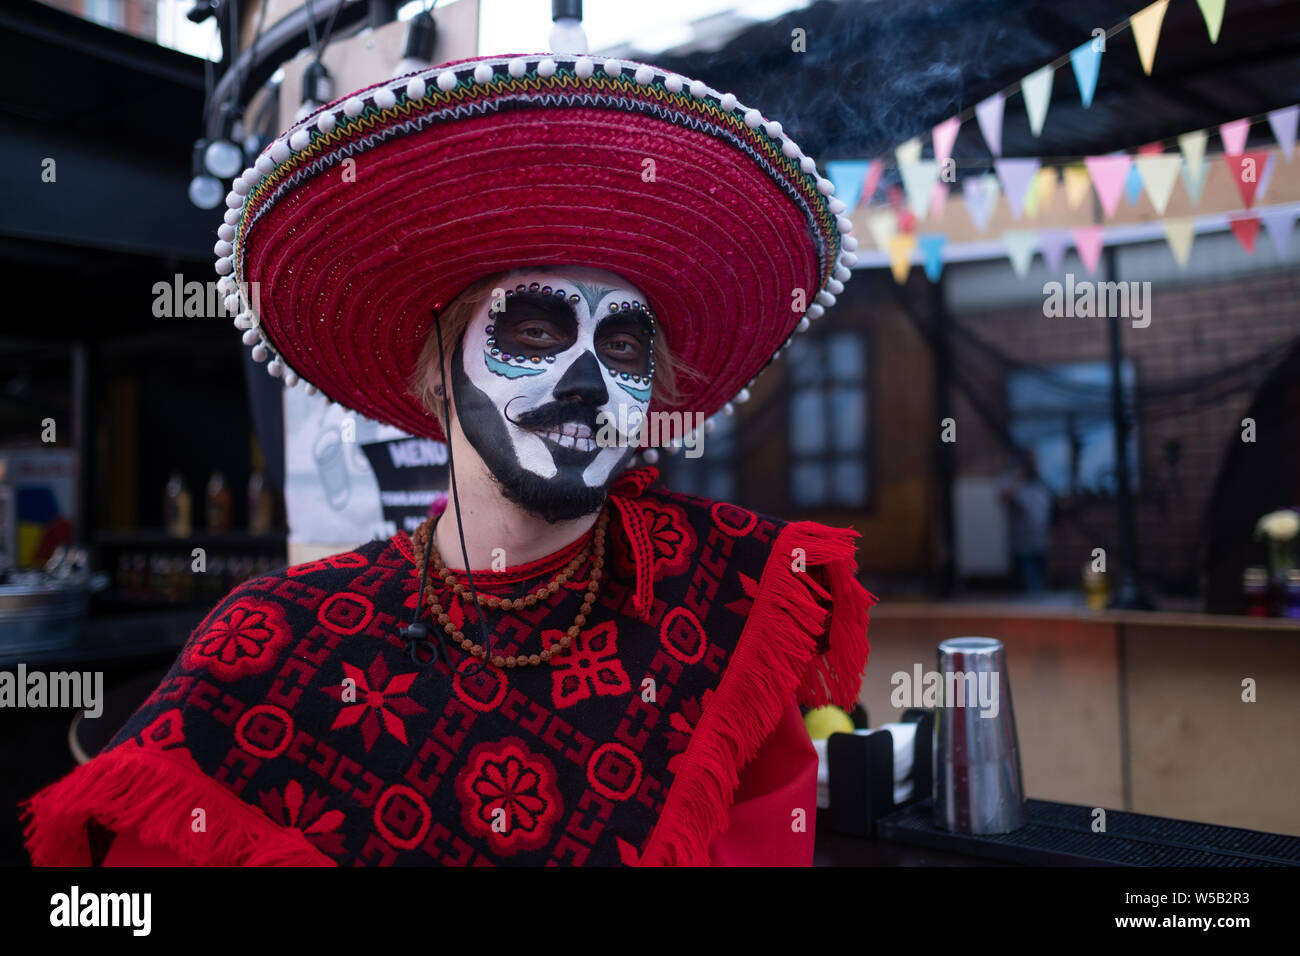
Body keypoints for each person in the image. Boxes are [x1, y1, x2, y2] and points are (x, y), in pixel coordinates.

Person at [22, 51, 873, 867]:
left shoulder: (720, 596)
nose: (586, 384)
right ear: (438, 368)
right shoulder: (275, 644)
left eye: (623, 348)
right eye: (536, 332)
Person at [999, 448, 1054, 595]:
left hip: (1040, 543)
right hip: (1021, 547)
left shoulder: (1041, 482)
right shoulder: (1011, 480)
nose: (1033, 463)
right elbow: (1005, 497)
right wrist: (1019, 476)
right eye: (1029, 460)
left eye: (1035, 460)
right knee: (1027, 592)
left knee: (1039, 590)